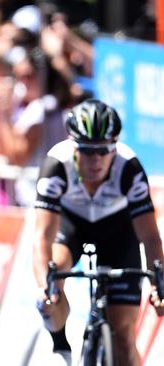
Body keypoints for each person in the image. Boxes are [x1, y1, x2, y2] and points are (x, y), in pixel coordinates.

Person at [33, 99, 164, 365]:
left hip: (118, 231)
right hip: (73, 226)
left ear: (114, 147)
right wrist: (45, 288)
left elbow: (150, 237)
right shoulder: (56, 166)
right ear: (73, 147)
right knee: (53, 273)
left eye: (104, 151)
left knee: (124, 338)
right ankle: (60, 344)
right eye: (87, 151)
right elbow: (42, 237)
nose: (96, 159)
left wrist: (158, 285)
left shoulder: (129, 168)